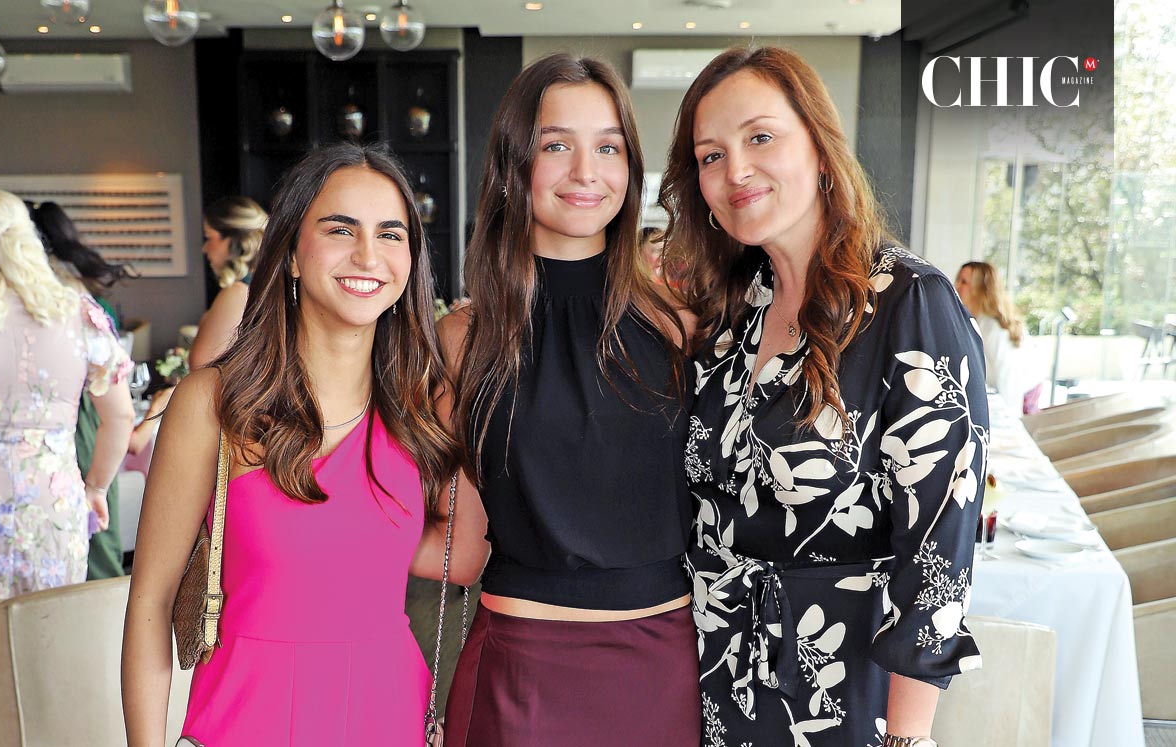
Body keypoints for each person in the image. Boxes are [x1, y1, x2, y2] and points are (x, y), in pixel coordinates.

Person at [658, 47, 987, 747]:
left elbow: (938, 552)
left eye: (760, 137)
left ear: (819, 145)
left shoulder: (906, 302)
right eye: (710, 155)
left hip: (844, 694)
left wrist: (906, 737)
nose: (735, 170)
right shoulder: (730, 314)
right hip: (716, 682)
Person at [122, 143, 482, 746]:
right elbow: (151, 604)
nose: (368, 254)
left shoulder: (423, 405)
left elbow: (459, 554)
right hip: (245, 724)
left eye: (391, 235)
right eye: (341, 229)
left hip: (388, 718)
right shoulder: (214, 405)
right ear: (290, 252)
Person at [441, 53, 700, 746]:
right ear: (513, 164)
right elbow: (458, 549)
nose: (587, 171)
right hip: (519, 670)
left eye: (608, 147)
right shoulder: (463, 337)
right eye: (557, 145)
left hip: (661, 668)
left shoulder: (681, 325)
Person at [0, 188, 134, 604]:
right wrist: (96, 487)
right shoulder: (78, 313)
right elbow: (119, 418)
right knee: (43, 644)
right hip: (53, 506)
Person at [29, 200, 139, 579]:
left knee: (95, 533)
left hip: (80, 418)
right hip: (85, 417)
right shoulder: (81, 298)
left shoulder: (66, 300)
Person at [188, 196, 267, 369]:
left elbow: (201, 367)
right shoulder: (264, 285)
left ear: (232, 239)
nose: (204, 248)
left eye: (209, 237)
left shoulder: (237, 293)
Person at [955, 261, 1029, 412]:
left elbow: (1008, 385)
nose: (956, 286)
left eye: (964, 282)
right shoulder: (974, 323)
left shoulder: (994, 329)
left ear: (980, 289)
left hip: (1000, 416)